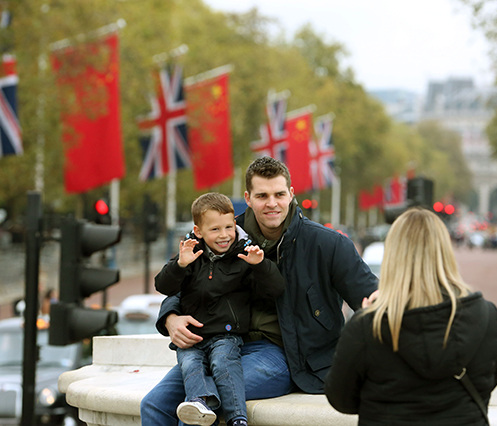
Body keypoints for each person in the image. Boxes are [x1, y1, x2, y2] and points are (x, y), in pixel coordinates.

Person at [140, 156, 379, 425]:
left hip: (287, 356)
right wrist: (170, 317)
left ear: (291, 194)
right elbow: (182, 279)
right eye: (262, 195)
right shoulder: (223, 232)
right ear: (248, 198)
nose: (272, 203)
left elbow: (373, 300)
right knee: (153, 405)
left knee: (202, 404)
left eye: (279, 194)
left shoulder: (328, 244)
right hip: (218, 343)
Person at [324, 208, 497, 425]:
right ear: (445, 252)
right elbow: (490, 379)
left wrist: (366, 315)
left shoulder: (367, 327)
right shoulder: (487, 316)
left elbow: (341, 399)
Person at [155, 193, 285, 426]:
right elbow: (165, 287)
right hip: (194, 339)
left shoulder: (244, 255)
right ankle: (199, 400)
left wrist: (261, 265)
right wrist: (180, 267)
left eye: (228, 227)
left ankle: (237, 419)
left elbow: (276, 288)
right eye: (215, 230)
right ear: (199, 231)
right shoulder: (191, 255)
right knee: (173, 386)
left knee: (222, 365)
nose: (224, 235)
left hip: (229, 336)